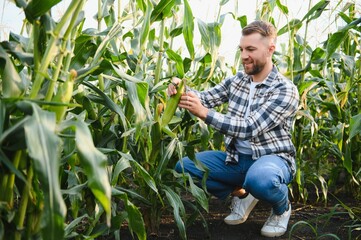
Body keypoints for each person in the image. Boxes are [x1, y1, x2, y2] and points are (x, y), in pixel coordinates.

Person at [168, 20, 299, 237]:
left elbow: (250, 127)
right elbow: (205, 98)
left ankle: (281, 209)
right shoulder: (238, 80)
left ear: (270, 49)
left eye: (251, 49)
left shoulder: (285, 90)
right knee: (184, 167)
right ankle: (242, 194)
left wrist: (205, 114)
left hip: (272, 159)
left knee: (261, 180)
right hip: (237, 159)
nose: (244, 55)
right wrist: (181, 90)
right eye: (242, 49)